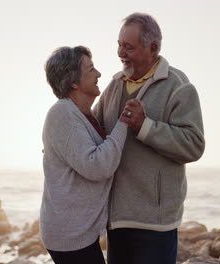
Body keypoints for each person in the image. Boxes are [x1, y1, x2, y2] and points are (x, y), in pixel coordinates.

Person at [93, 13, 206, 264]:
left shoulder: (178, 87)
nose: (120, 52)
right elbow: (92, 129)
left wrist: (146, 127)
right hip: (116, 219)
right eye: (119, 44)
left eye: (128, 47)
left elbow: (194, 145)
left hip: (156, 223)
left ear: (153, 48)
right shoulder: (114, 86)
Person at [40, 46, 130, 264]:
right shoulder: (62, 113)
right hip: (68, 234)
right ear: (74, 82)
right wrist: (124, 122)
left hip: (79, 231)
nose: (98, 74)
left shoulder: (84, 114)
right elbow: (98, 166)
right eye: (91, 70)